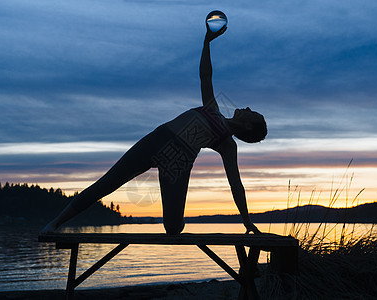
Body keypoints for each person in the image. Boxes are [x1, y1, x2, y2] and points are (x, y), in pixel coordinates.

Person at [41, 23, 267, 235]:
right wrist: (206, 43)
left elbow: (236, 184)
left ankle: (179, 223)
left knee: (172, 228)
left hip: (178, 162)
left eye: (252, 112)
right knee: (107, 183)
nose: (247, 107)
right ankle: (54, 224)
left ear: (248, 125)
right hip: (156, 141)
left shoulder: (227, 144)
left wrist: (247, 221)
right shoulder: (213, 109)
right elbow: (206, 75)